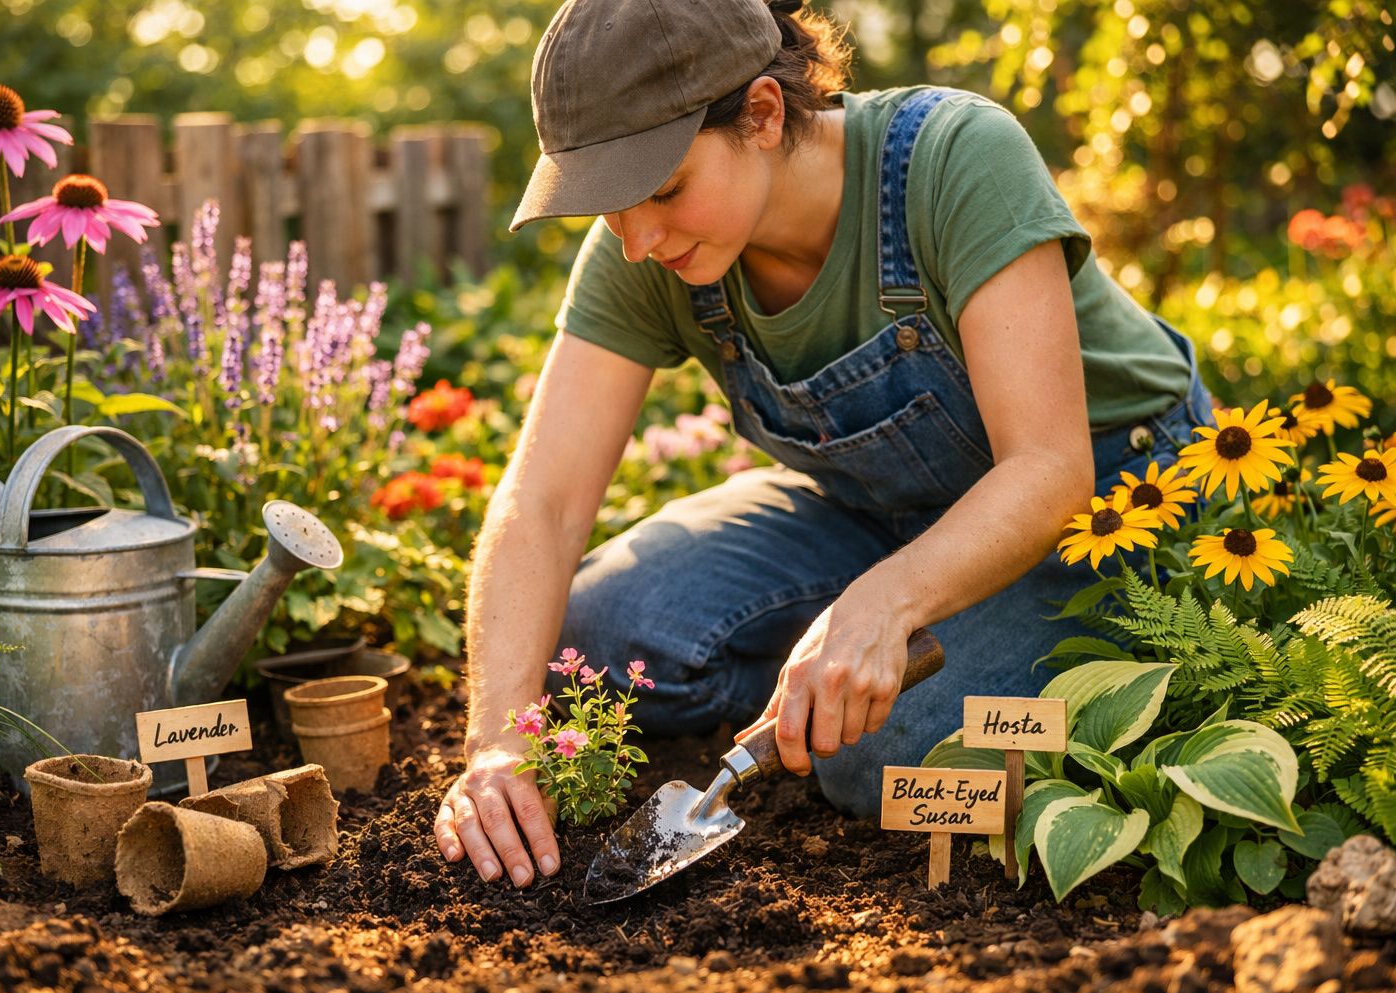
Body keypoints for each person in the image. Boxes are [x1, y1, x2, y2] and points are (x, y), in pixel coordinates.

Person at [432, 0, 1212, 889]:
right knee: (597, 634)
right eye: (609, 209)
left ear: (763, 113)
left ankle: (1028, 669)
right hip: (877, 511)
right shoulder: (648, 252)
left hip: (1111, 502)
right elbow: (543, 500)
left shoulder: (955, 158)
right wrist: (497, 740)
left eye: (664, 190)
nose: (638, 239)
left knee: (882, 751)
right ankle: (851, 670)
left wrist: (880, 608)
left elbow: (1047, 466)